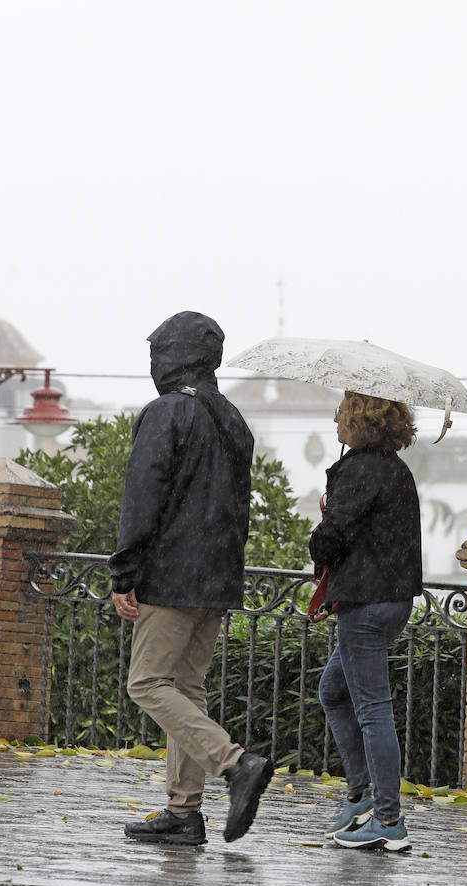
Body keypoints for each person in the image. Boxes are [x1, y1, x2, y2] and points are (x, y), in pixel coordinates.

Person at [111, 311, 274, 846]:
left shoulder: (168, 413)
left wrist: (125, 572)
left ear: (171, 355)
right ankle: (183, 813)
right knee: (185, 687)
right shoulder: (231, 418)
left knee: (147, 683)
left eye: (157, 352)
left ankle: (234, 764)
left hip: (172, 575)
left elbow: (143, 499)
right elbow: (237, 510)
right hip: (216, 577)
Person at [312, 392, 422, 852]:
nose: (335, 418)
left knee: (373, 709)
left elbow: (330, 542)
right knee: (333, 690)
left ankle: (388, 818)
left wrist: (319, 530)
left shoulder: (360, 469)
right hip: (392, 601)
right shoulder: (396, 469)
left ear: (358, 419)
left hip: (365, 602)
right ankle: (360, 795)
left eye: (341, 411)